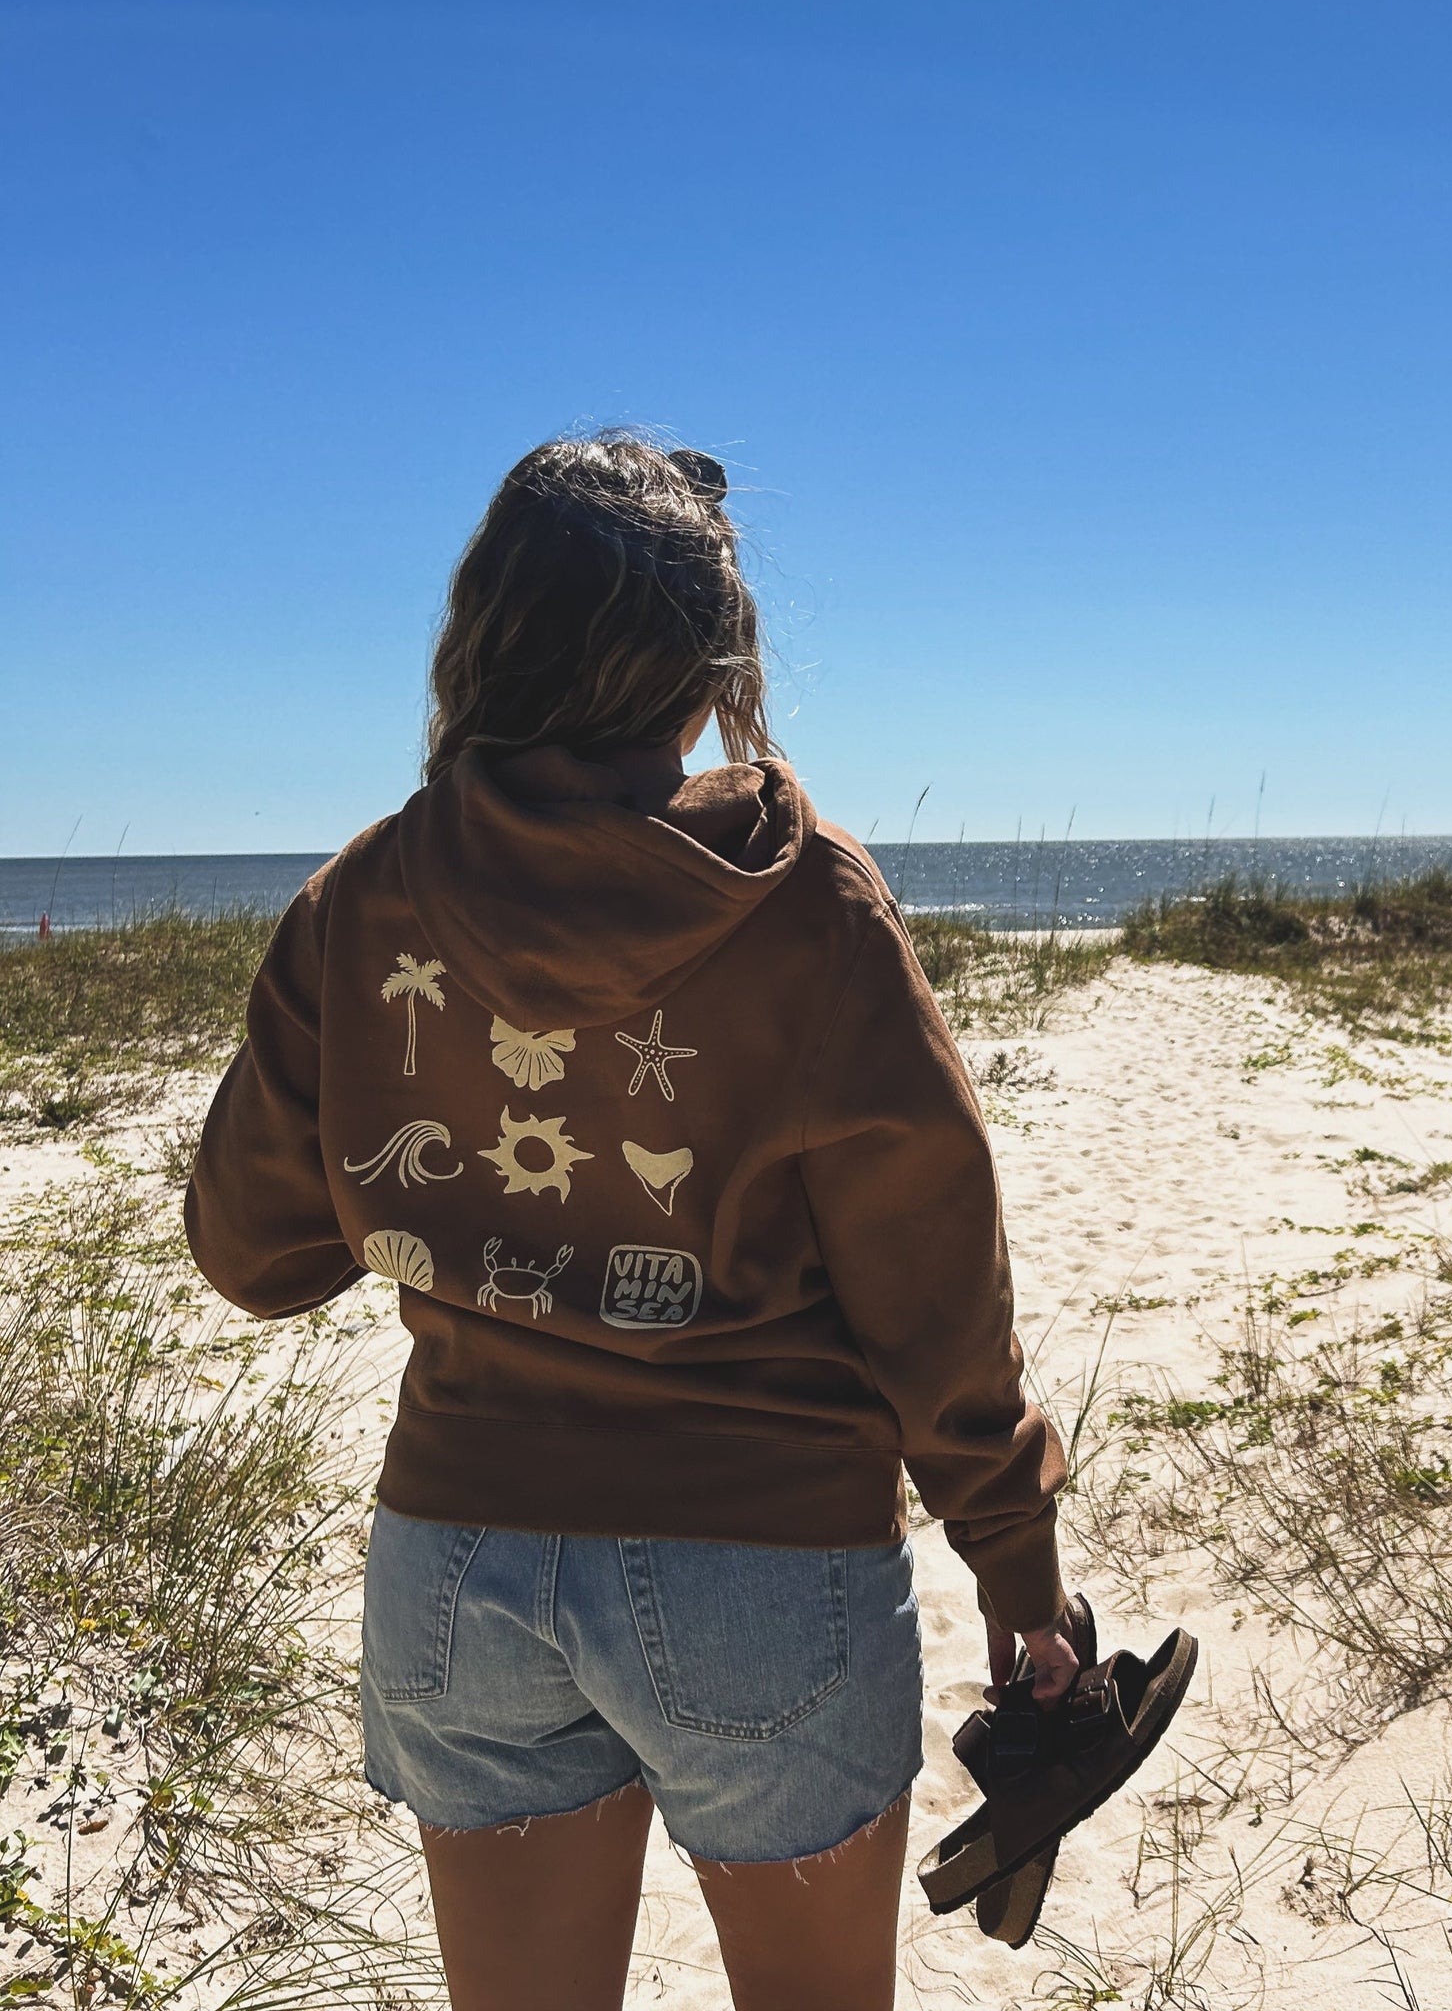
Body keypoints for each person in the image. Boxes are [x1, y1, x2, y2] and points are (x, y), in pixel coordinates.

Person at [185, 432, 1081, 2011]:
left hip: (457, 1561)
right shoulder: (809, 906)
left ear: (481, 639)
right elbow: (929, 1288)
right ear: (706, 671)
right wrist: (1015, 1563)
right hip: (765, 1562)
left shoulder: (362, 900)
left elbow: (253, 1257)